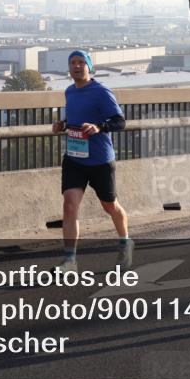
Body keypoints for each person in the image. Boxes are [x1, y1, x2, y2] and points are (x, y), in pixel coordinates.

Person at [51, 50, 132, 272]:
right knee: (69, 206)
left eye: (81, 63)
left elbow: (120, 122)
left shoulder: (101, 92)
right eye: (73, 63)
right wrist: (63, 125)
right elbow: (76, 118)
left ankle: (125, 242)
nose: (77, 66)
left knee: (110, 206)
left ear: (89, 67)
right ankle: (70, 261)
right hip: (75, 159)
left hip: (99, 160)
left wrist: (99, 127)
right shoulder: (69, 91)